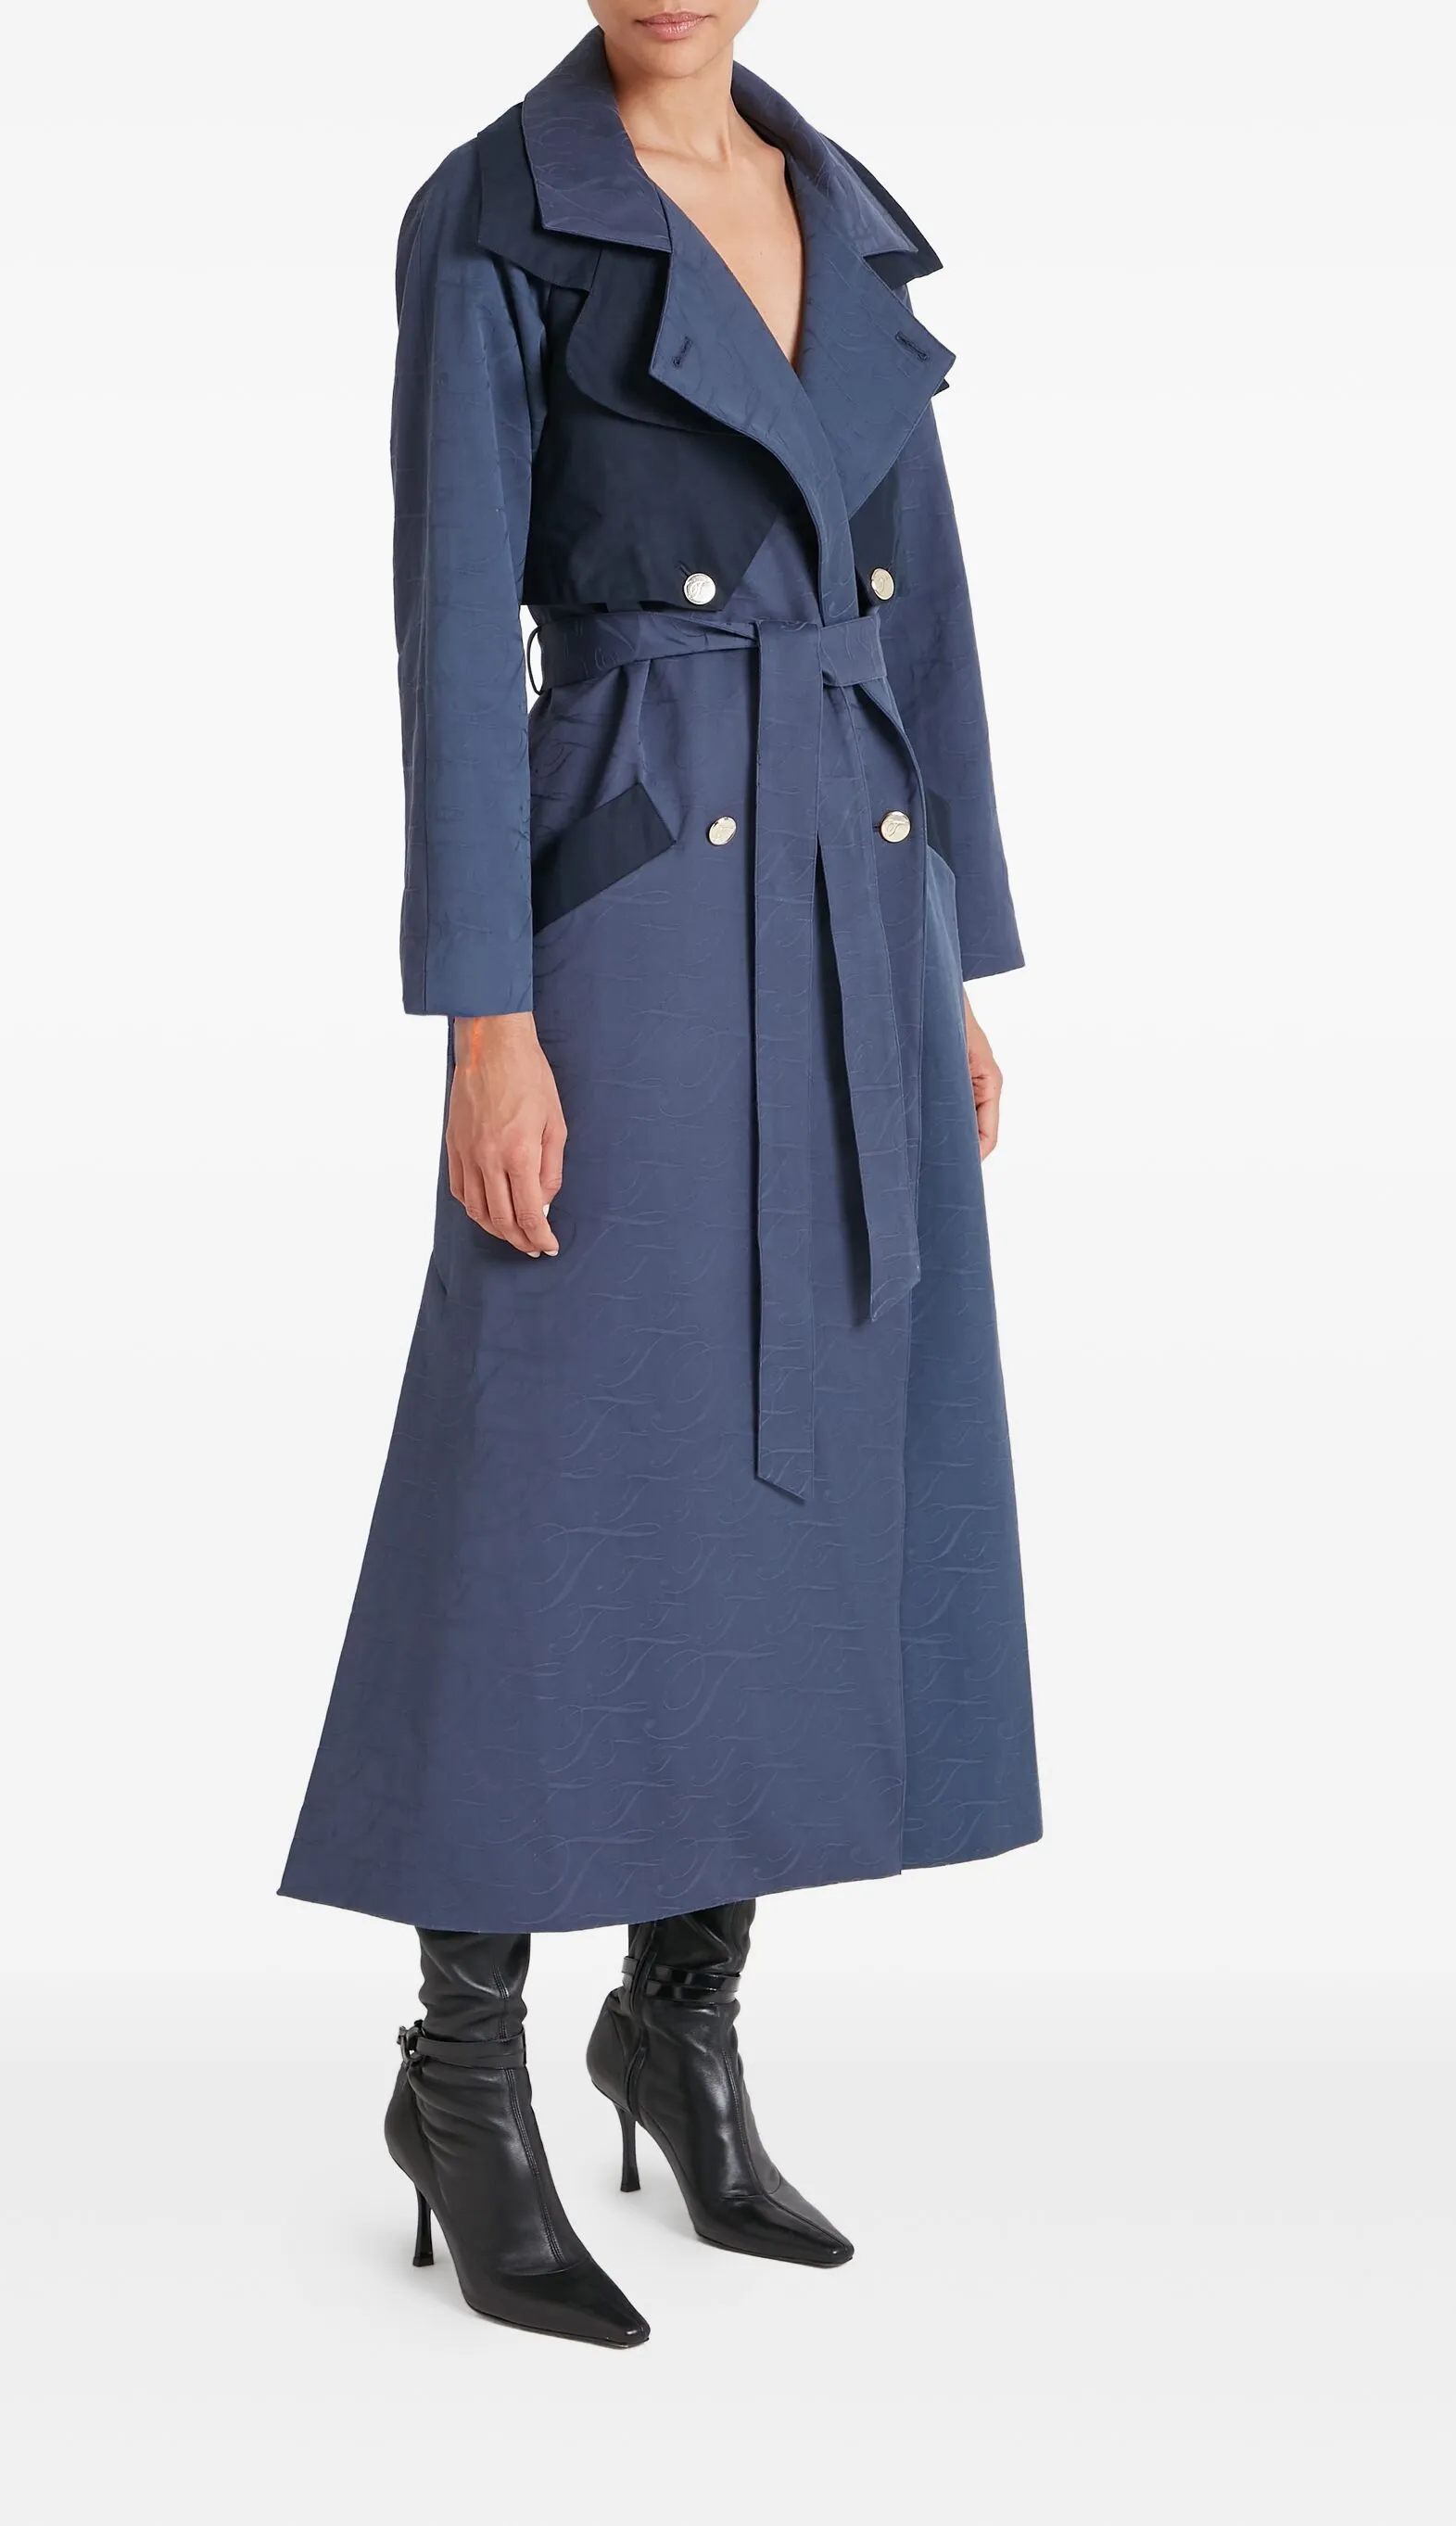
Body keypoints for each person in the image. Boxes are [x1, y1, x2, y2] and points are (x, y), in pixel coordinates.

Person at [280, 0, 1041, 2348]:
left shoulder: (843, 213)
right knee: (552, 1477)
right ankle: (463, 2077)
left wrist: (948, 954)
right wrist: (484, 1016)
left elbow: (919, 597)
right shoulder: (498, 216)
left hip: (849, 882)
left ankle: (679, 2025)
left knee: (791, 1465)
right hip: (614, 889)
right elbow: (448, 630)